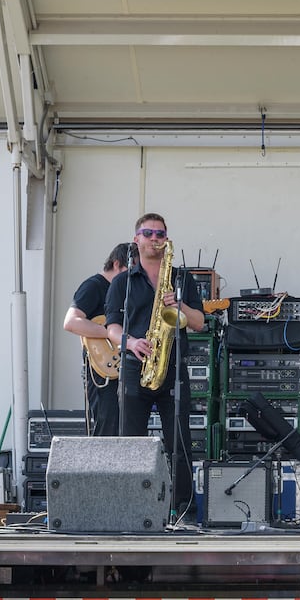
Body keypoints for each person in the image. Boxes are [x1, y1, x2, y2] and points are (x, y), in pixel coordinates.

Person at [105, 214, 205, 521]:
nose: (154, 238)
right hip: (136, 366)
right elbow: (111, 327)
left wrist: (179, 305)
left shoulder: (181, 279)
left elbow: (199, 323)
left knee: (180, 441)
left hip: (172, 367)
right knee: (131, 442)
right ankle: (131, 509)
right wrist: (132, 343)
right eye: (147, 233)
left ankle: (184, 511)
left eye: (160, 233)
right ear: (136, 239)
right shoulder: (123, 282)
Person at [61, 242, 130, 437]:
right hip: (101, 371)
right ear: (116, 264)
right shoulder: (93, 286)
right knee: (106, 424)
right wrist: (110, 332)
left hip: (121, 368)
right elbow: (71, 322)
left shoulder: (125, 292)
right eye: (127, 272)